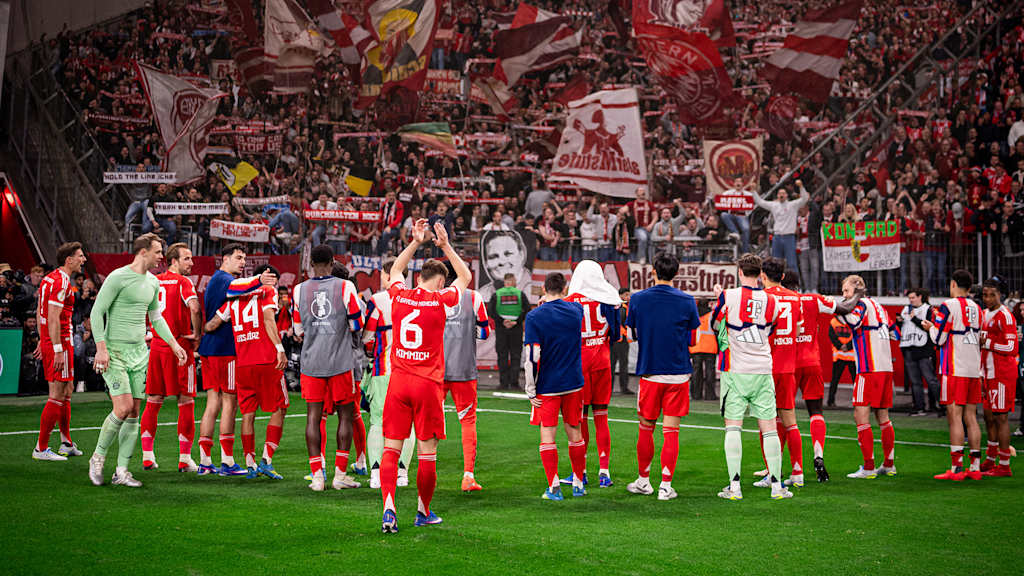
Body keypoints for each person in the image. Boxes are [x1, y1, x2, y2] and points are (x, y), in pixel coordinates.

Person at [380, 219, 471, 533]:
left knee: (391, 449)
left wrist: (416, 242)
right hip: (428, 385)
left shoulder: (400, 297)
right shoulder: (442, 301)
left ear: (417, 278)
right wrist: (444, 245)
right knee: (427, 454)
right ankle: (423, 510)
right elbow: (466, 276)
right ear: (441, 282)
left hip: (399, 383)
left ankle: (389, 508)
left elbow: (394, 272)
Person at [87, 233, 188, 487]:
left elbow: (156, 318)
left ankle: (121, 471)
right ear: (143, 252)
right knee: (121, 408)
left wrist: (174, 344)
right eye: (157, 252)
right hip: (114, 352)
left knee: (133, 412)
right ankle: (97, 457)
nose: (161, 257)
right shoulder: (118, 277)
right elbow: (97, 311)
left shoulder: (153, 282)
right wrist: (101, 348)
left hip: (140, 354)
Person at [711, 253, 791, 501]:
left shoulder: (728, 295)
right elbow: (771, 329)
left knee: (733, 426)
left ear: (739, 271)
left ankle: (734, 487)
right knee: (769, 428)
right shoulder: (772, 301)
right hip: (763, 369)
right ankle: (777, 486)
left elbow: (716, 325)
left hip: (736, 370)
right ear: (761, 274)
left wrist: (719, 301)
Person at [625, 252, 700, 501]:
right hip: (678, 374)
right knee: (671, 432)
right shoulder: (688, 300)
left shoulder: (637, 299)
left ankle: (644, 481)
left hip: (650, 373)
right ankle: (665, 486)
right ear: (676, 273)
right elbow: (694, 340)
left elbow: (631, 335)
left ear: (653, 272)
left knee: (646, 428)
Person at [203, 265, 288, 480]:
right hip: (267, 360)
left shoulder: (234, 298)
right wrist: (279, 349)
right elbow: (269, 319)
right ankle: (266, 460)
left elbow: (212, 325)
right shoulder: (269, 291)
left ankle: (250, 463)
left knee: (248, 414)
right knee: (279, 408)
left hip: (243, 363)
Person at [291, 245, 365, 491]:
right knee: (346, 416)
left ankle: (317, 477)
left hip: (311, 362)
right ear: (333, 262)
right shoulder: (346, 287)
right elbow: (357, 324)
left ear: (311, 263)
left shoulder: (299, 290)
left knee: (313, 416)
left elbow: (298, 331)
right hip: (340, 362)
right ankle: (340, 475)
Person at [195, 244, 273, 476]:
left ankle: (205, 461)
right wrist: (261, 278)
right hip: (225, 350)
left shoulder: (216, 280)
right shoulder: (224, 280)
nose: (242, 262)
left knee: (213, 404)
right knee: (229, 403)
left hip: (210, 349)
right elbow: (240, 287)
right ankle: (227, 461)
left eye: (244, 258)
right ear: (225, 259)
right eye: (238, 258)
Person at [791, 273, 862, 483]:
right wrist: (858, 293)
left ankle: (789, 469)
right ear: (799, 285)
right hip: (812, 362)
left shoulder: (776, 299)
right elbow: (845, 307)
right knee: (816, 412)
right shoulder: (813, 299)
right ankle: (818, 455)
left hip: (787, 364)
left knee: (783, 415)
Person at [523, 272, 587, 501]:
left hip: (548, 385)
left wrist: (530, 389)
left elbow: (532, 355)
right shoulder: (576, 311)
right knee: (575, 431)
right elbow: (570, 305)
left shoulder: (535, 317)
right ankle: (579, 483)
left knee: (548, 434)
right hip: (573, 382)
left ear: (543, 288)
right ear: (565, 288)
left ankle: (554, 487)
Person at [139, 243, 202, 472]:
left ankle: (147, 456)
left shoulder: (154, 281)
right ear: (173, 261)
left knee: (153, 401)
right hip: (180, 348)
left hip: (157, 346)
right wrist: (197, 334)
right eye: (187, 259)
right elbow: (194, 308)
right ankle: (185, 459)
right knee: (186, 402)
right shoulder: (184, 283)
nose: (191, 263)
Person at [562, 260, 621, 488]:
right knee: (602, 417)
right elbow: (615, 335)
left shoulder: (568, 302)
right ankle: (604, 472)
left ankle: (582, 471)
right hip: (602, 363)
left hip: (579, 364)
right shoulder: (609, 299)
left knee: (581, 418)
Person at [362, 257, 417, 490]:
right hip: (412, 372)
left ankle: (376, 471)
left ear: (387, 275)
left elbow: (366, 337)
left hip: (384, 369)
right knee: (409, 425)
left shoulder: (377, 300)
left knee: (377, 422)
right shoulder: (417, 299)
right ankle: (402, 473)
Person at [924, 269, 983, 480]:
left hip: (955, 368)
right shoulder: (978, 308)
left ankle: (957, 468)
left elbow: (939, 338)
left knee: (954, 416)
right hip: (974, 368)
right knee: (972, 417)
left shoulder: (948, 306)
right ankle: (975, 468)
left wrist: (930, 327)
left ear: (953, 284)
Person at [32, 242, 87, 461]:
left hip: (55, 340)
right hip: (60, 342)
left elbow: (40, 311)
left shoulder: (50, 278)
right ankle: (41, 448)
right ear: (69, 260)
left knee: (67, 389)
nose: (83, 260)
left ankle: (66, 442)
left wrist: (41, 338)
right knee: (56, 393)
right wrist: (55, 347)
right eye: (80, 256)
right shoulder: (62, 281)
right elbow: (53, 317)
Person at [753, 259, 805, 489]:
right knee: (790, 422)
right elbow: (799, 329)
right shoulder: (796, 298)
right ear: (783, 276)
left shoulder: (762, 297)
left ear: (763, 276)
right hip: (788, 367)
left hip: (766, 367)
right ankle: (797, 471)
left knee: (766, 423)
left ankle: (772, 474)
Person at [840, 275, 897, 480]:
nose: (844, 295)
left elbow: (852, 320)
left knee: (860, 415)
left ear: (857, 289)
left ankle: (869, 467)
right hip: (886, 367)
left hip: (868, 367)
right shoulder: (879, 306)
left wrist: (839, 310)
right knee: (883, 416)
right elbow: (895, 333)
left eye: (846, 291)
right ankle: (889, 464)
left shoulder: (861, 304)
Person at [442, 271, 490, 492]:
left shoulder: (434, 295)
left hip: (435, 370)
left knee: (426, 419)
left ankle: (407, 472)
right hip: (464, 368)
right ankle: (468, 476)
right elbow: (484, 332)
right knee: (468, 421)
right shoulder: (473, 297)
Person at [979, 276, 1018, 476]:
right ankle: (991, 458)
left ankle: (1004, 465)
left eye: (992, 295)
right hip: (988, 373)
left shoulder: (1005, 316)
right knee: (988, 416)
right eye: (985, 295)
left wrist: (988, 344)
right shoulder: (984, 313)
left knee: (1001, 417)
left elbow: (1012, 347)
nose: (987, 298)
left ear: (1000, 295)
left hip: (1002, 373)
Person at [751, 180, 810, 277]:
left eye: (783, 193)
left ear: (787, 195)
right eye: (779, 193)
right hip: (777, 237)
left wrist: (801, 187)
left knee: (792, 264)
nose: (781, 195)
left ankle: (795, 286)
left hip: (789, 237)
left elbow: (805, 198)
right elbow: (760, 202)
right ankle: (776, 285)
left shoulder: (792, 205)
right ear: (777, 196)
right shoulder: (774, 205)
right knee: (776, 264)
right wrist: (753, 191)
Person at [897, 289, 940, 416]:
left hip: (923, 347)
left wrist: (914, 319)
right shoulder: (906, 309)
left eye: (913, 297)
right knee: (915, 381)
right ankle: (919, 407)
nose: (911, 300)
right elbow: (902, 327)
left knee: (930, 379)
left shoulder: (928, 309)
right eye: (909, 298)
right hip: (908, 346)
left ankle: (942, 405)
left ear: (920, 297)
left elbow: (928, 327)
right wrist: (898, 321)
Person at [488, 272, 530, 390]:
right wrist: (516, 321)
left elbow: (491, 311)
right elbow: (527, 309)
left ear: (505, 282)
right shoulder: (520, 294)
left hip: (501, 330)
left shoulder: (497, 294)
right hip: (516, 329)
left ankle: (503, 383)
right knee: (516, 356)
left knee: (502, 355)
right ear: (512, 281)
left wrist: (502, 321)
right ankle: (515, 383)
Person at [688, 299, 718, 401]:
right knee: (710, 372)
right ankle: (710, 395)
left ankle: (696, 395)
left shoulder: (693, 315)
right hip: (710, 347)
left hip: (696, 347)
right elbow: (717, 329)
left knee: (696, 372)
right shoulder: (712, 315)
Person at [827, 316, 856, 407]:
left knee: (855, 380)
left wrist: (844, 346)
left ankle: (831, 402)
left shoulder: (852, 320)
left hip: (847, 355)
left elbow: (857, 335)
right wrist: (844, 346)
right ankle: (831, 401)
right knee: (835, 380)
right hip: (844, 356)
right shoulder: (835, 321)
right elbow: (831, 336)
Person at [610, 287, 632, 395]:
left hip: (613, 340)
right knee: (622, 364)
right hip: (620, 340)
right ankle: (624, 388)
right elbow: (622, 324)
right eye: (627, 295)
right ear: (621, 295)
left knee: (612, 365)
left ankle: (610, 388)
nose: (629, 297)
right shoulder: (622, 307)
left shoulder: (615, 306)